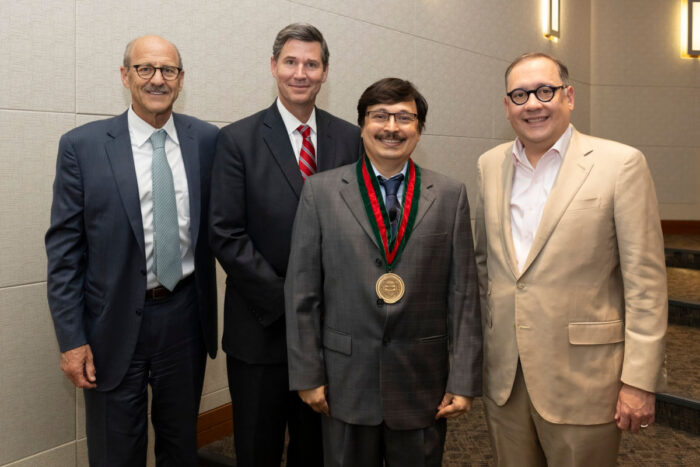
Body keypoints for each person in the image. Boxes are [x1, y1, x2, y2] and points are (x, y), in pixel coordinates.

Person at [474, 52, 667, 466]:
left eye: (546, 91)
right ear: (507, 105)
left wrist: (639, 381)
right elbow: (483, 268)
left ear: (570, 96)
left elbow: (645, 284)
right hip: (506, 377)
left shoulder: (621, 165)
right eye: (520, 94)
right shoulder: (489, 166)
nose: (533, 103)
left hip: (585, 378)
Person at [285, 77, 482, 466]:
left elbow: (463, 296)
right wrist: (308, 374)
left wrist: (463, 380)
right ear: (362, 126)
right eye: (380, 116)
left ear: (419, 129)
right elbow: (302, 292)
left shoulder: (449, 195)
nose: (391, 128)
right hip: (344, 380)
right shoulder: (320, 192)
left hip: (422, 382)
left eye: (404, 118)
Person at [45, 35, 218, 465]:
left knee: (181, 445)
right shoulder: (82, 147)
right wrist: (71, 340)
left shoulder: (209, 141)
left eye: (168, 70)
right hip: (111, 325)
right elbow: (64, 252)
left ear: (181, 80)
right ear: (125, 76)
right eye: (145, 69)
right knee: (116, 450)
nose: (157, 79)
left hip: (184, 318)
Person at [209, 23, 361, 466]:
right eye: (291, 62)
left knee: (318, 450)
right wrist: (290, 303)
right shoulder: (236, 139)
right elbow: (225, 232)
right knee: (257, 448)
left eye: (311, 64)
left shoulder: (349, 139)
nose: (301, 72)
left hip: (330, 333)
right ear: (273, 67)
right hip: (260, 329)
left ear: (325, 72)